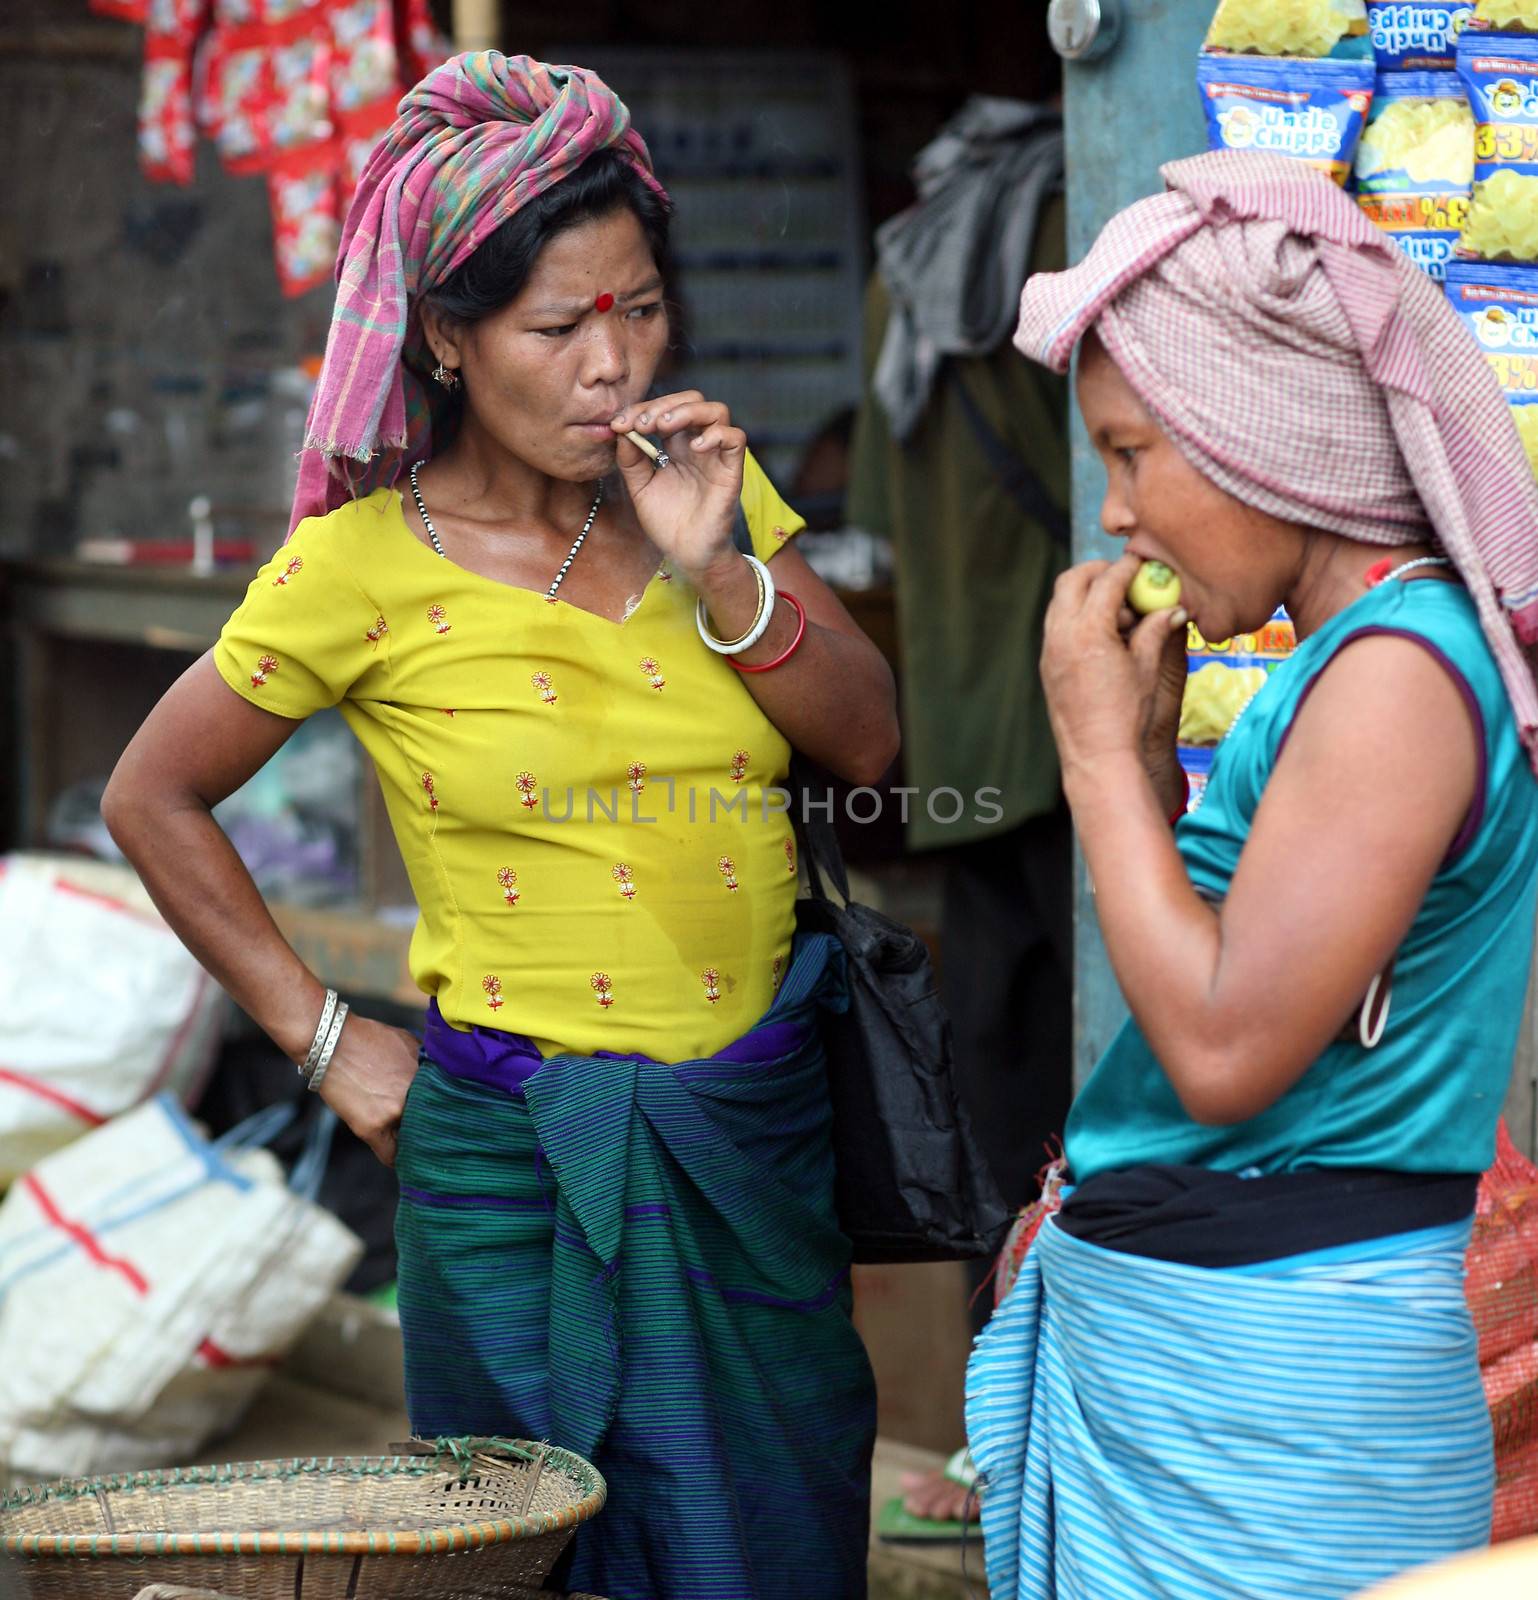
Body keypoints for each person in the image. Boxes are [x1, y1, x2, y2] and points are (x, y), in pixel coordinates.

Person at [102, 52, 897, 1600]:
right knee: (523, 1551)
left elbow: (868, 744)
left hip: (745, 1137)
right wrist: (324, 1038)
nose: (612, 363)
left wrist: (718, 566)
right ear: (450, 339)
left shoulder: (703, 495)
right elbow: (153, 794)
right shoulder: (356, 568)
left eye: (641, 307)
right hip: (509, 1154)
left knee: (778, 1527)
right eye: (556, 326)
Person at [965, 149, 1538, 1600]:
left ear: (1257, 432)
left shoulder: (1399, 675)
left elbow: (1223, 1052)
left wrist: (1094, 768)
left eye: (1131, 453)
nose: (1114, 516)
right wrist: (1149, 777)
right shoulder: (1346, 666)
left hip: (1277, 1393)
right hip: (1241, 1376)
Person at [846, 94, 1070, 1530]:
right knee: (1101, 1093)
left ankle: (998, 1440)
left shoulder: (912, 256)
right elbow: (1097, 484)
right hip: (1074, 731)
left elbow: (871, 485)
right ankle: (1055, 1445)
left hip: (964, 732)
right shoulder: (1064, 240)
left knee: (996, 1094)